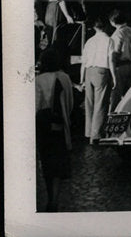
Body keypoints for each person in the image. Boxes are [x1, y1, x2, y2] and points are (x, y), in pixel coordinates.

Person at [35, 48, 74, 211]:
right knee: (57, 165)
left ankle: (49, 196)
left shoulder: (38, 80)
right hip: (60, 126)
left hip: (43, 127)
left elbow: (35, 106)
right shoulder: (65, 77)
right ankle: (54, 199)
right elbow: (70, 102)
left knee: (46, 164)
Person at [81, 15, 113, 144]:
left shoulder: (89, 41)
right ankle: (96, 135)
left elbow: (84, 62)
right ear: (105, 26)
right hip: (101, 71)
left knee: (89, 103)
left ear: (94, 27)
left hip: (89, 71)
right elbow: (110, 60)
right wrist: (114, 77)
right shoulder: (109, 40)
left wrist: (82, 78)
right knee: (100, 103)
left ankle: (88, 132)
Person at [107, 9, 131, 110]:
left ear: (112, 22)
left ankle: (112, 120)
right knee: (130, 97)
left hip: (120, 67)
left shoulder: (117, 35)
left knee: (115, 99)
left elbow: (113, 55)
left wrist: (113, 75)